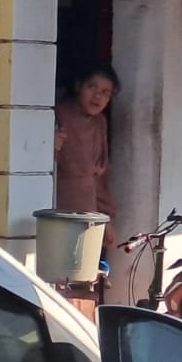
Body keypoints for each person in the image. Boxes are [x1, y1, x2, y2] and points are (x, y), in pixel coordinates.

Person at [54, 64, 119, 256]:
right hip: (59, 214)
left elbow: (100, 176)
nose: (97, 97)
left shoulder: (100, 122)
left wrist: (105, 220)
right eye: (92, 88)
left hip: (91, 215)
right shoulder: (59, 114)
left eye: (105, 93)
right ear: (78, 86)